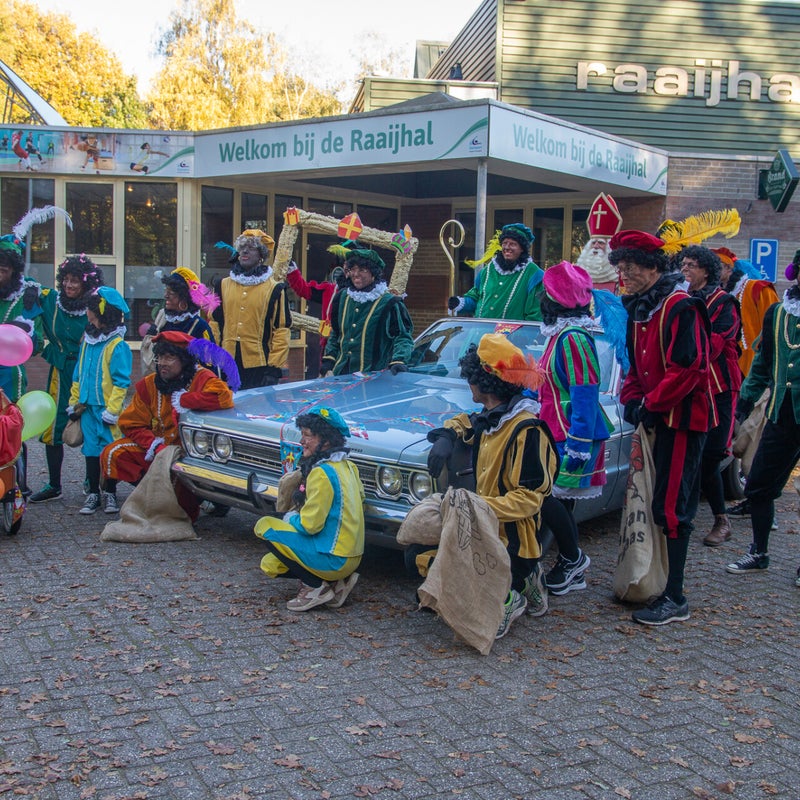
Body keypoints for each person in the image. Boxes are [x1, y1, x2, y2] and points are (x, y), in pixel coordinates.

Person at [609, 230, 712, 626]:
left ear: (652, 266)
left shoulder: (682, 306)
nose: (623, 274)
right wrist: (633, 400)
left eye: (629, 267)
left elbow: (691, 369)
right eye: (620, 267)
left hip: (682, 422)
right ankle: (653, 580)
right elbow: (635, 367)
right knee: (655, 503)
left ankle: (676, 596)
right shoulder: (639, 309)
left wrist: (651, 404)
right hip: (655, 417)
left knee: (672, 506)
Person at [425, 333, 558, 638]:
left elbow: (529, 500)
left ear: (486, 382)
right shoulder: (493, 416)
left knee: (466, 584)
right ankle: (516, 582)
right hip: (483, 528)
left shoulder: (527, 430)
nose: (468, 383)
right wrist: (446, 437)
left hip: (513, 541)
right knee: (418, 556)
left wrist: (477, 507)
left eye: (471, 376)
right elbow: (467, 422)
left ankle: (514, 593)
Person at [100, 331, 236, 522]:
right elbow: (130, 424)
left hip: (190, 454)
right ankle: (153, 493)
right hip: (158, 448)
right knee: (113, 454)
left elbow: (224, 397)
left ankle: (202, 497)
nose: (162, 362)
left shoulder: (201, 378)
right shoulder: (149, 384)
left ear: (184, 360)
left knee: (182, 512)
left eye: (170, 357)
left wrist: (185, 399)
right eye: (160, 356)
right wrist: (154, 445)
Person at [537, 261, 610, 594]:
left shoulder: (574, 338)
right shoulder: (560, 335)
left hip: (574, 435)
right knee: (560, 503)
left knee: (548, 498)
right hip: (556, 431)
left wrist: (579, 442)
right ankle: (572, 570)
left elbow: (584, 390)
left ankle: (573, 559)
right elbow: (547, 383)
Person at [725, 259, 800, 579]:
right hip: (781, 414)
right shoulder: (779, 312)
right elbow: (763, 364)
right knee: (757, 486)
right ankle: (759, 552)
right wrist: (743, 405)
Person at [253, 406, 365, 611]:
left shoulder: (321, 472)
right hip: (353, 557)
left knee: (265, 526)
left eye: (308, 435)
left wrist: (289, 517)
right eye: (302, 434)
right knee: (271, 564)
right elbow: (361, 498)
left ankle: (315, 587)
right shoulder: (349, 466)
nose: (302, 441)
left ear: (327, 440)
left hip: (334, 558)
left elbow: (310, 525)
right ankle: (337, 584)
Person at [678, 245, 743, 547]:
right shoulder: (682, 300)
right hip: (692, 389)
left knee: (710, 456)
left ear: (706, 270)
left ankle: (722, 518)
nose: (685, 270)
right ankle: (684, 516)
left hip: (719, 389)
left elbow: (711, 346)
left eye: (691, 265)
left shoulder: (725, 302)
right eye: (683, 264)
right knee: (691, 453)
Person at [29, 255, 104, 503]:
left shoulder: (95, 305)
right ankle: (54, 484)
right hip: (60, 373)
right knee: (54, 425)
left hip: (88, 372)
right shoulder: (51, 300)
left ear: (86, 283)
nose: (69, 285)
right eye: (67, 280)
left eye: (75, 281)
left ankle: (91, 480)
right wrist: (50, 353)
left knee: (91, 423)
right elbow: (24, 286)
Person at [67, 287, 133, 515]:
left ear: (100, 312)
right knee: (91, 451)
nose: (86, 312)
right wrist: (74, 402)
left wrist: (113, 410)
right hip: (87, 408)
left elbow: (122, 382)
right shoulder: (88, 340)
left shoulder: (117, 345)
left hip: (105, 410)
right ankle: (93, 493)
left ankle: (111, 493)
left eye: (90, 308)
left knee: (110, 452)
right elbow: (78, 373)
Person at [212, 229, 291, 390]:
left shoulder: (275, 289)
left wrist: (273, 368)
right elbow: (214, 323)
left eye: (251, 248)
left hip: (260, 366)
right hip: (226, 363)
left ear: (261, 255)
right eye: (242, 247)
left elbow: (281, 330)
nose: (245, 251)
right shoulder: (222, 285)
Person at [321, 248, 414, 376]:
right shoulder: (342, 297)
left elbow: (402, 337)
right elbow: (336, 334)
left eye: (362, 270)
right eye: (352, 269)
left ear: (373, 273)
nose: (356, 274)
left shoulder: (390, 303)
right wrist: (329, 359)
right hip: (341, 375)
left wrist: (399, 360)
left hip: (374, 378)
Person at [448, 223, 544, 320]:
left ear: (522, 249)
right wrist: (459, 303)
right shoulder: (488, 270)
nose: (507, 247)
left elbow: (535, 314)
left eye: (512, 244)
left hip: (512, 334)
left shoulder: (534, 274)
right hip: (481, 333)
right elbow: (476, 298)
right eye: (504, 243)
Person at [714, 248, 779, 377]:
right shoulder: (714, 294)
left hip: (755, 363)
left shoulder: (757, 288)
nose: (713, 270)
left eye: (717, 266)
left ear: (728, 268)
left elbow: (774, 323)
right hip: (727, 363)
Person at [285, 246, 348, 377]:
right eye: (348, 268)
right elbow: (304, 290)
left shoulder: (371, 295)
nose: (352, 273)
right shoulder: (330, 290)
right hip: (329, 351)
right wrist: (292, 270)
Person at [575, 193, 623, 293]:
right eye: (593, 243)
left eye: (601, 243)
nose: (596, 246)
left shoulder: (622, 279)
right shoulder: (577, 278)